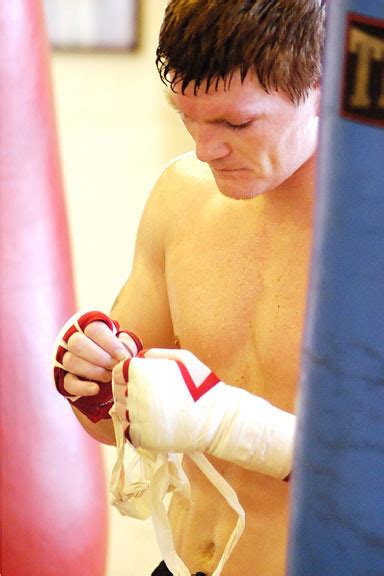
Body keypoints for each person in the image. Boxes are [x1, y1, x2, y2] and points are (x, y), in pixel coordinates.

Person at [52, 1, 326, 574]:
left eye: (236, 123)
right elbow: (109, 424)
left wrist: (232, 424)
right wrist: (97, 378)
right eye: (187, 117)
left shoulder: (365, 248)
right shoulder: (183, 196)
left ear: (325, 83)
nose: (206, 149)